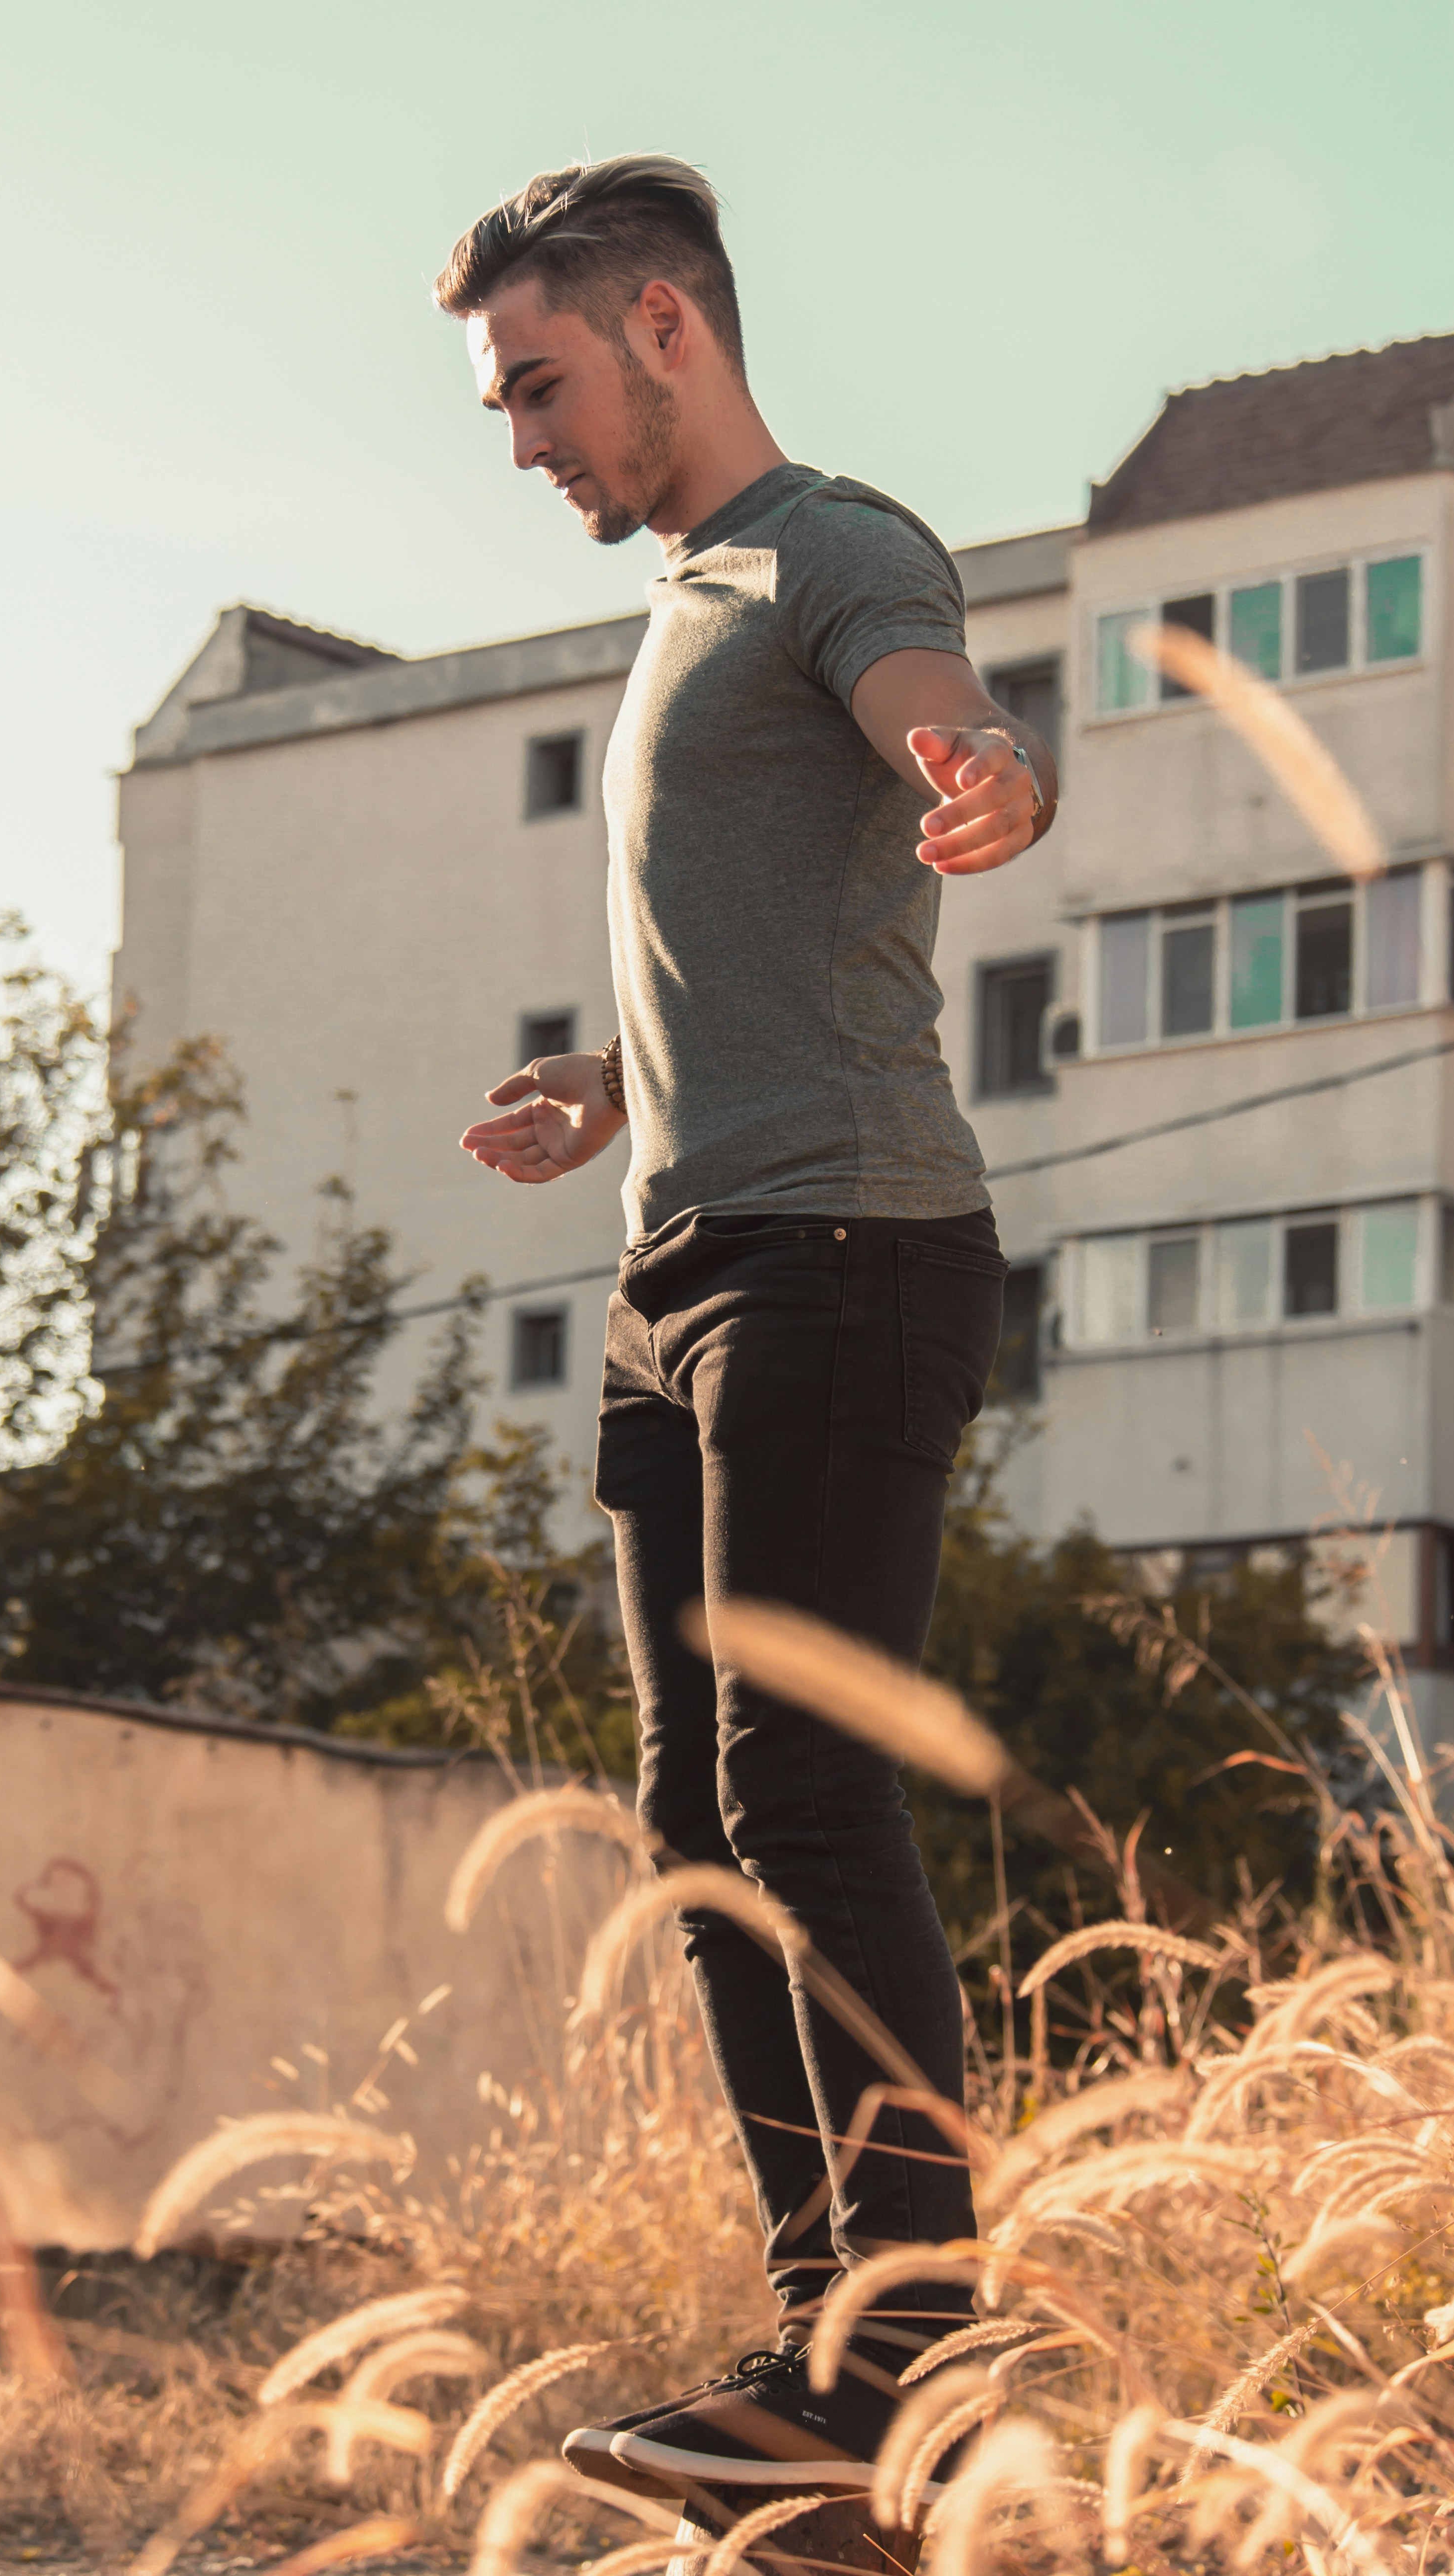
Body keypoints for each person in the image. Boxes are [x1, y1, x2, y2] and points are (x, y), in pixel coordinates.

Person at [436, 156, 1056, 2498]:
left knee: (804, 1791)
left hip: (844, 1253)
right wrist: (607, 1081)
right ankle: (828, 2371)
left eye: (538, 383)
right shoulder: (687, 599)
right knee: (701, 1818)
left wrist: (984, 778)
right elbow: (760, 916)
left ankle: (922, 2369)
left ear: (668, 326)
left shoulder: (828, 547)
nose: (521, 440)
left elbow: (943, 721)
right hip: (683, 1264)